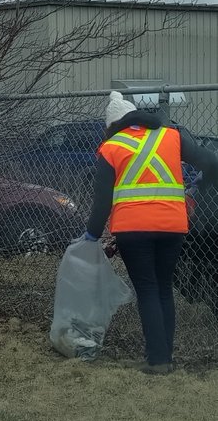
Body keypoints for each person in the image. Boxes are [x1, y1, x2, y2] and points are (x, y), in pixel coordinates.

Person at [84, 89, 218, 374]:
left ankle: (156, 361)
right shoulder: (170, 135)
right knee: (164, 289)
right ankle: (164, 357)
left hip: (133, 228)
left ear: (113, 125)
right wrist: (200, 189)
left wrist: (92, 234)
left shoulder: (112, 147)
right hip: (172, 226)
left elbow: (102, 200)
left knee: (147, 290)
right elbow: (211, 163)